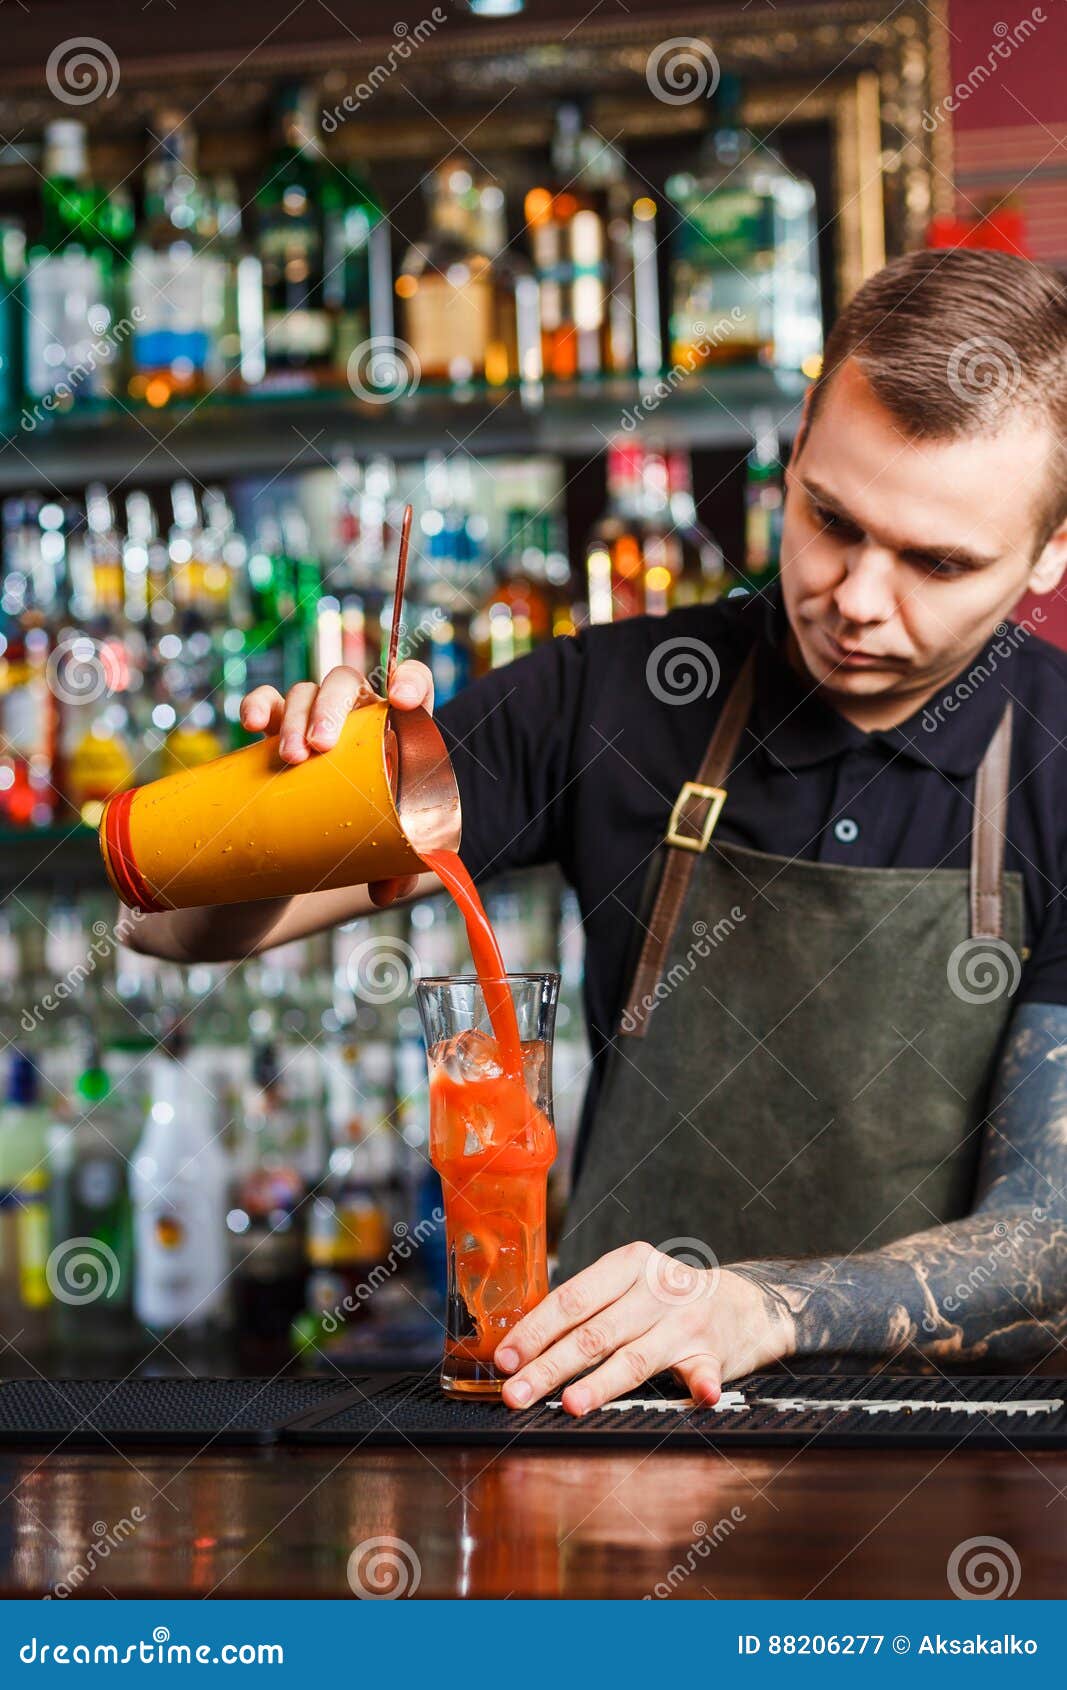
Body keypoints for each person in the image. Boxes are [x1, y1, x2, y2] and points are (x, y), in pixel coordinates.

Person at [128, 248, 1067, 1415]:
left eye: (936, 562)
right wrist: (277, 802)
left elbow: (1047, 1245)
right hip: (617, 1433)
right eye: (829, 520)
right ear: (792, 462)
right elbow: (164, 927)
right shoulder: (615, 700)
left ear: (1047, 554)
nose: (858, 596)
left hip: (952, 1475)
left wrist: (754, 1307)